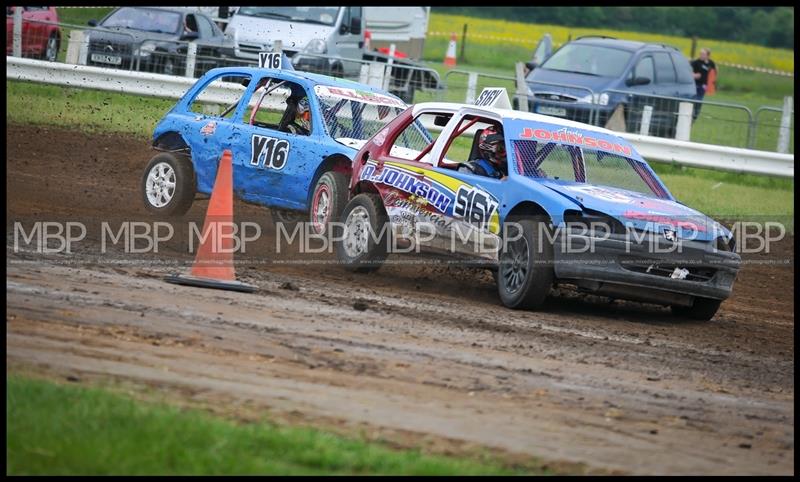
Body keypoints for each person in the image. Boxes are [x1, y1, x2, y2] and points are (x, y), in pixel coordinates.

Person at [690, 48, 717, 120]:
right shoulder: (696, 62)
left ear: (708, 55)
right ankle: (690, 113)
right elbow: (689, 72)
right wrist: (695, 75)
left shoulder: (711, 63)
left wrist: (712, 82)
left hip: (704, 86)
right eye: (700, 54)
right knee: (693, 99)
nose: (701, 55)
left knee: (699, 100)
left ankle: (695, 115)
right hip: (695, 84)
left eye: (703, 54)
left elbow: (714, 72)